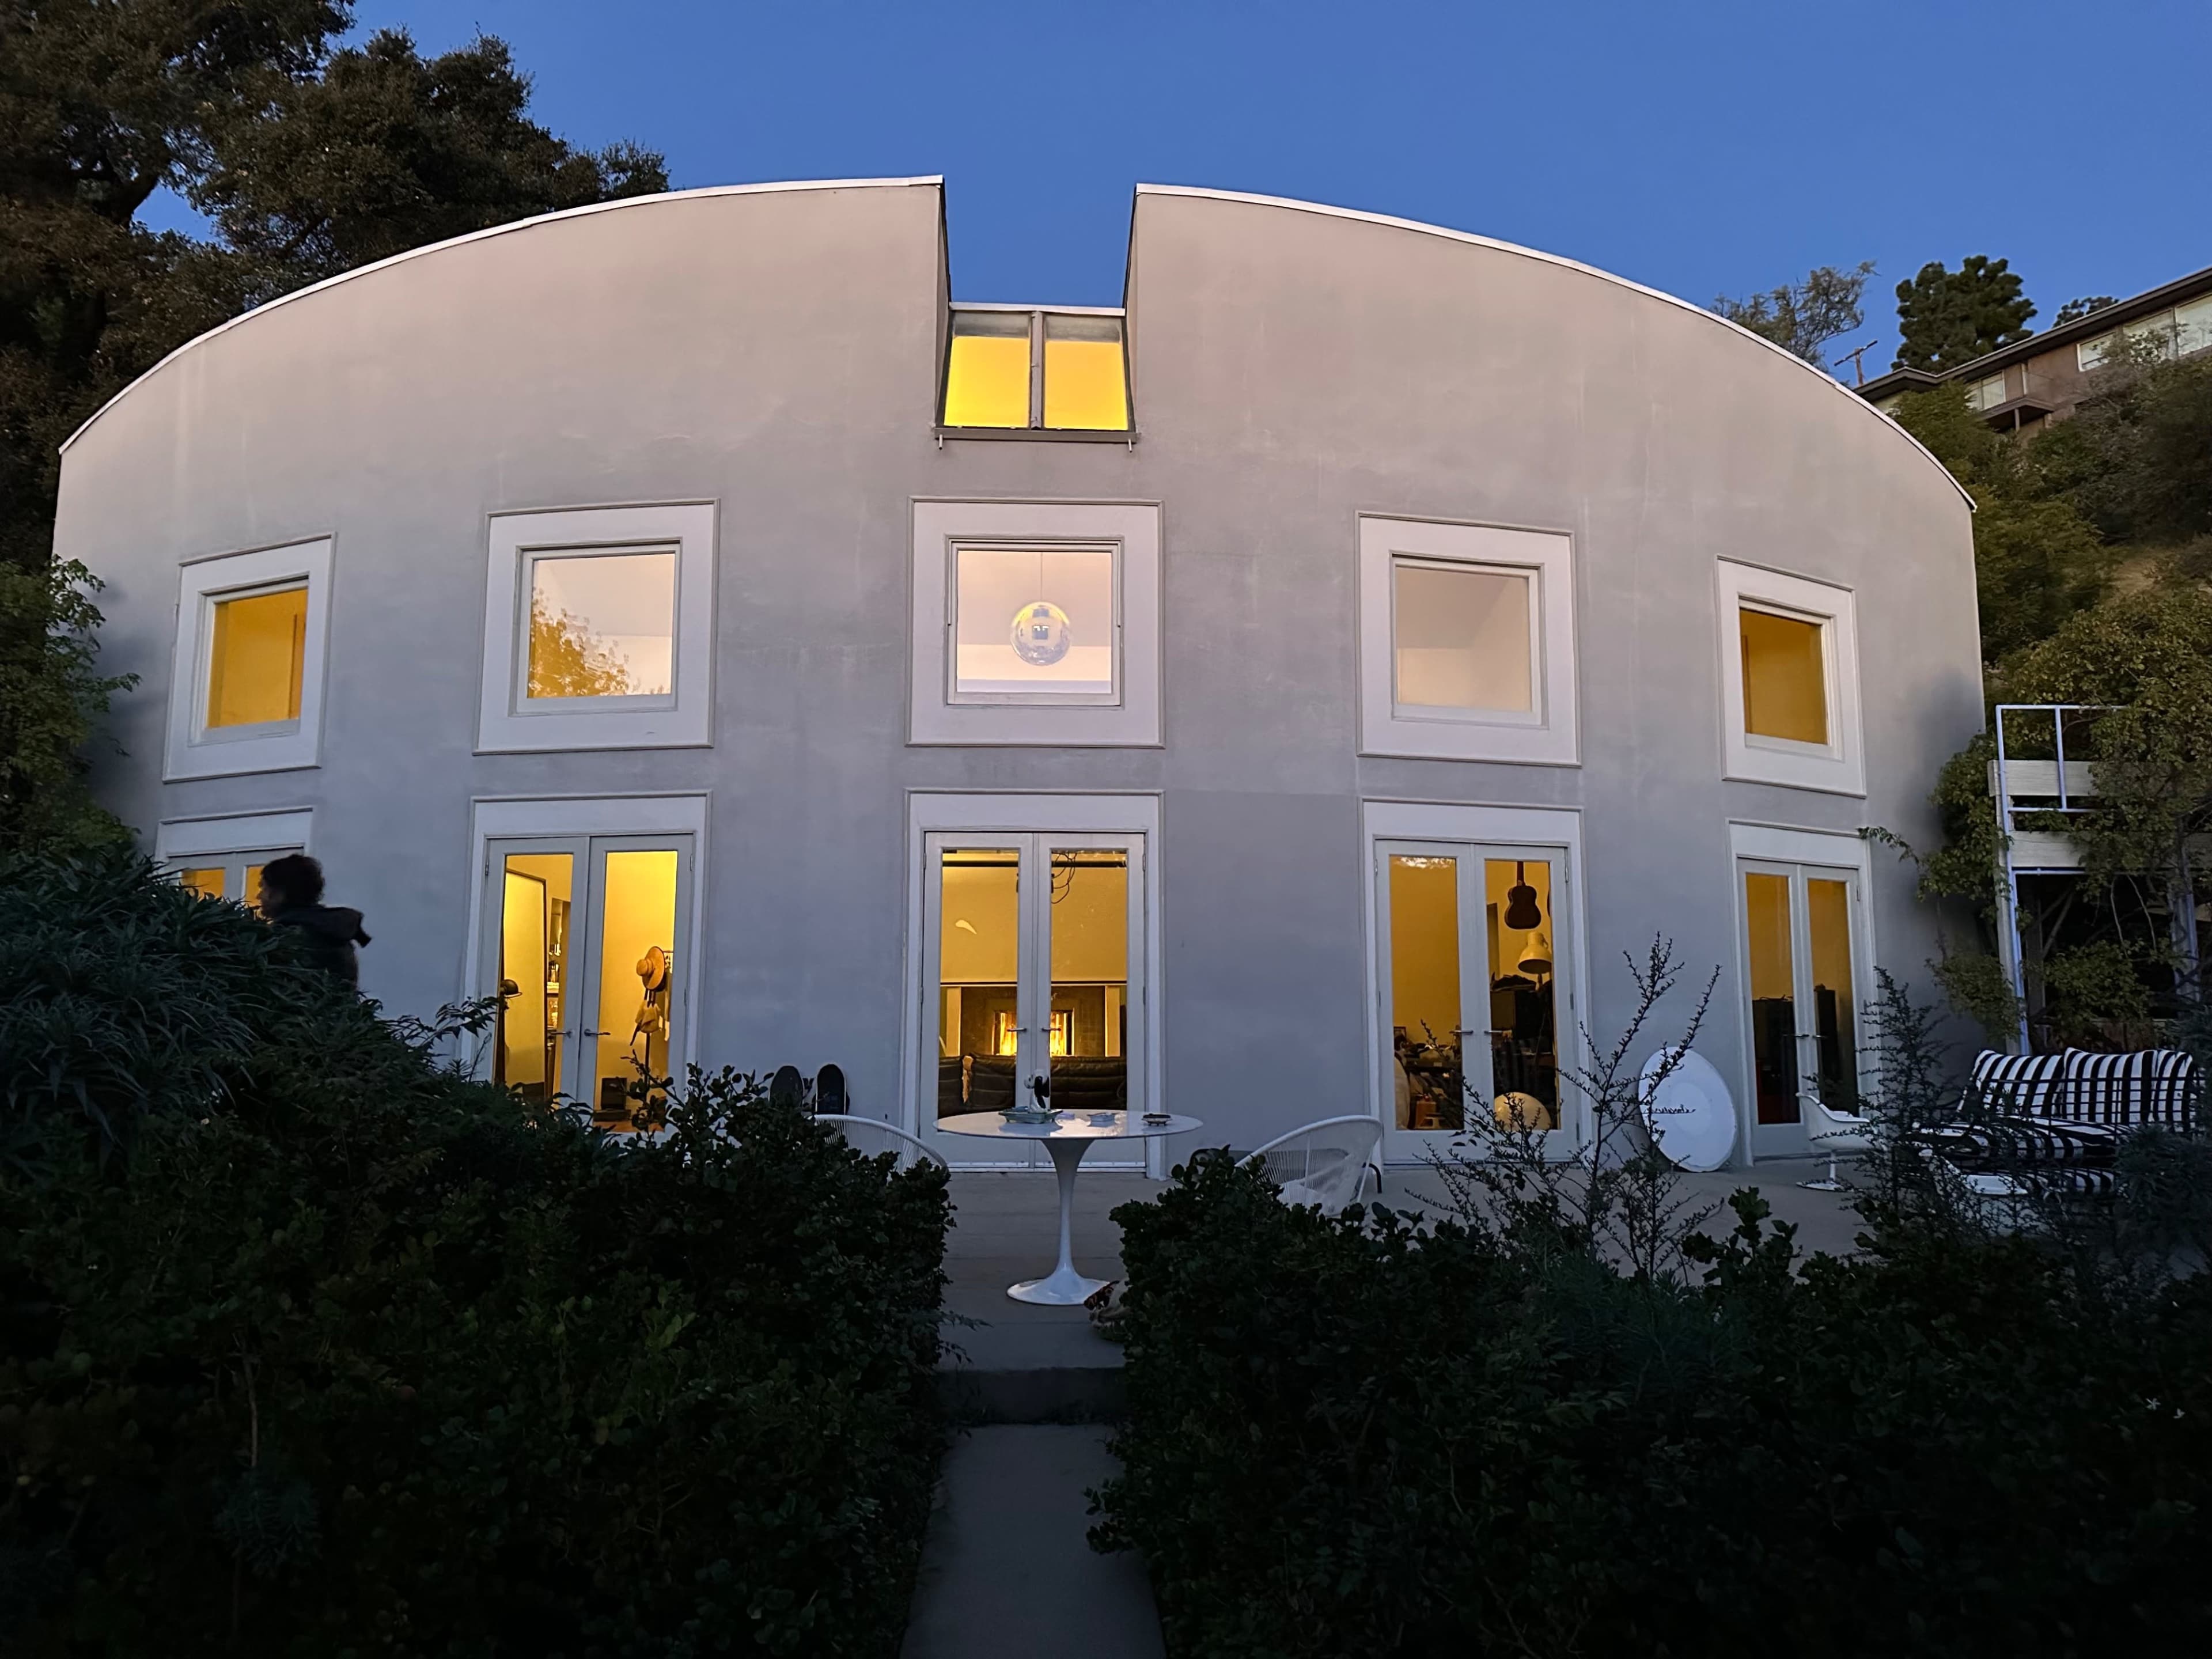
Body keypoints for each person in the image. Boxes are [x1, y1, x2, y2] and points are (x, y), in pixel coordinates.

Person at [257, 854, 372, 989]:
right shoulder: (333, 932)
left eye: (264, 888)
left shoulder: (287, 939)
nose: (259, 896)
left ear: (279, 893)